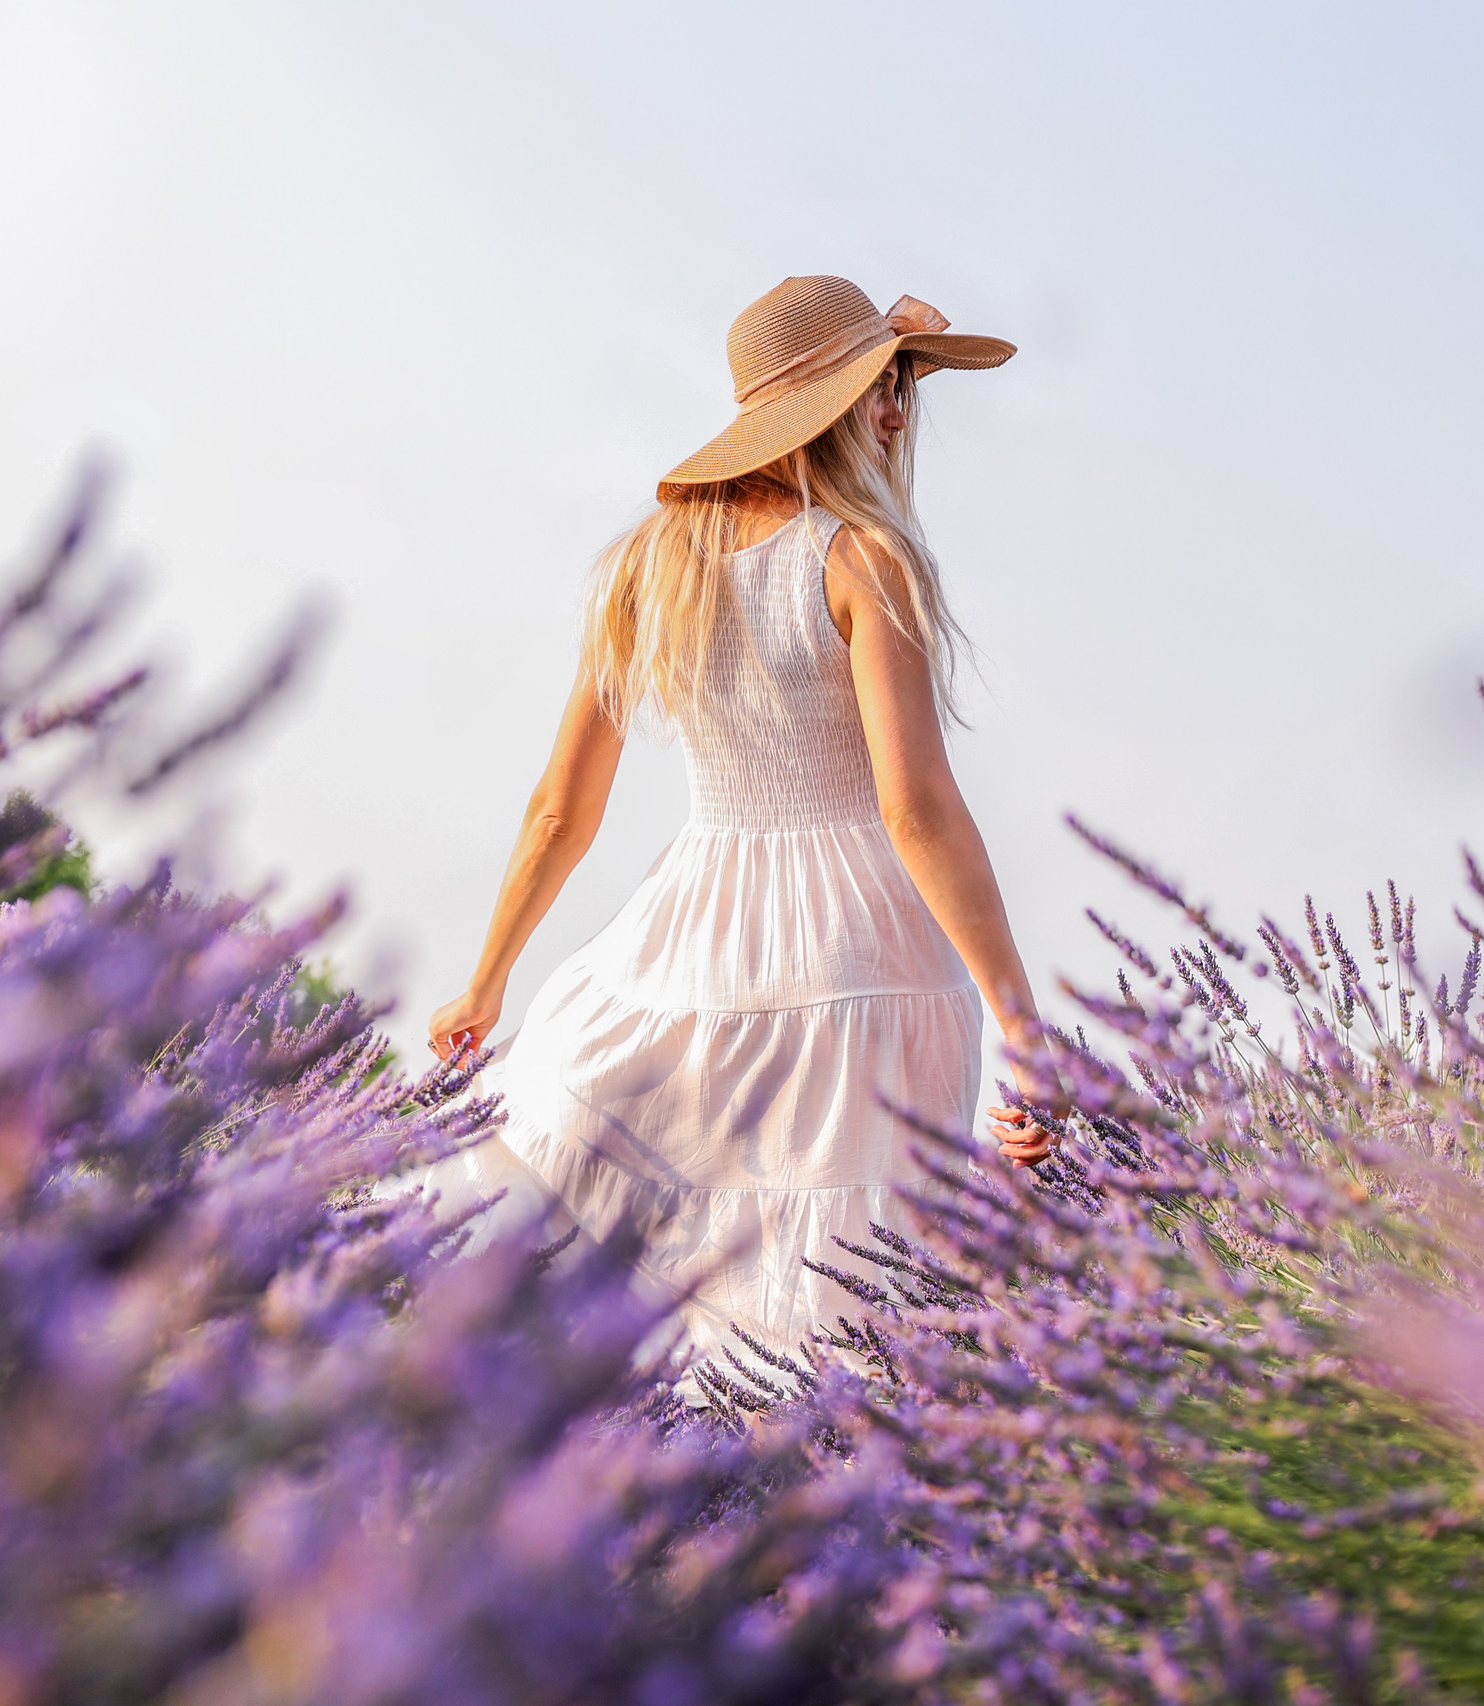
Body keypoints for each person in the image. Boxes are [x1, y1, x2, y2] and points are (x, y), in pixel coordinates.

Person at [425, 275, 1049, 1363]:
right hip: (865, 956)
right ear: (829, 403)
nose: (898, 410)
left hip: (689, 941)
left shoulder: (643, 566)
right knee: (836, 1305)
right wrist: (1021, 1025)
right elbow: (915, 808)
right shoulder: (863, 558)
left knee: (616, 1262)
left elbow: (558, 807)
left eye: (903, 381)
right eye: (882, 383)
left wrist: (488, 982)